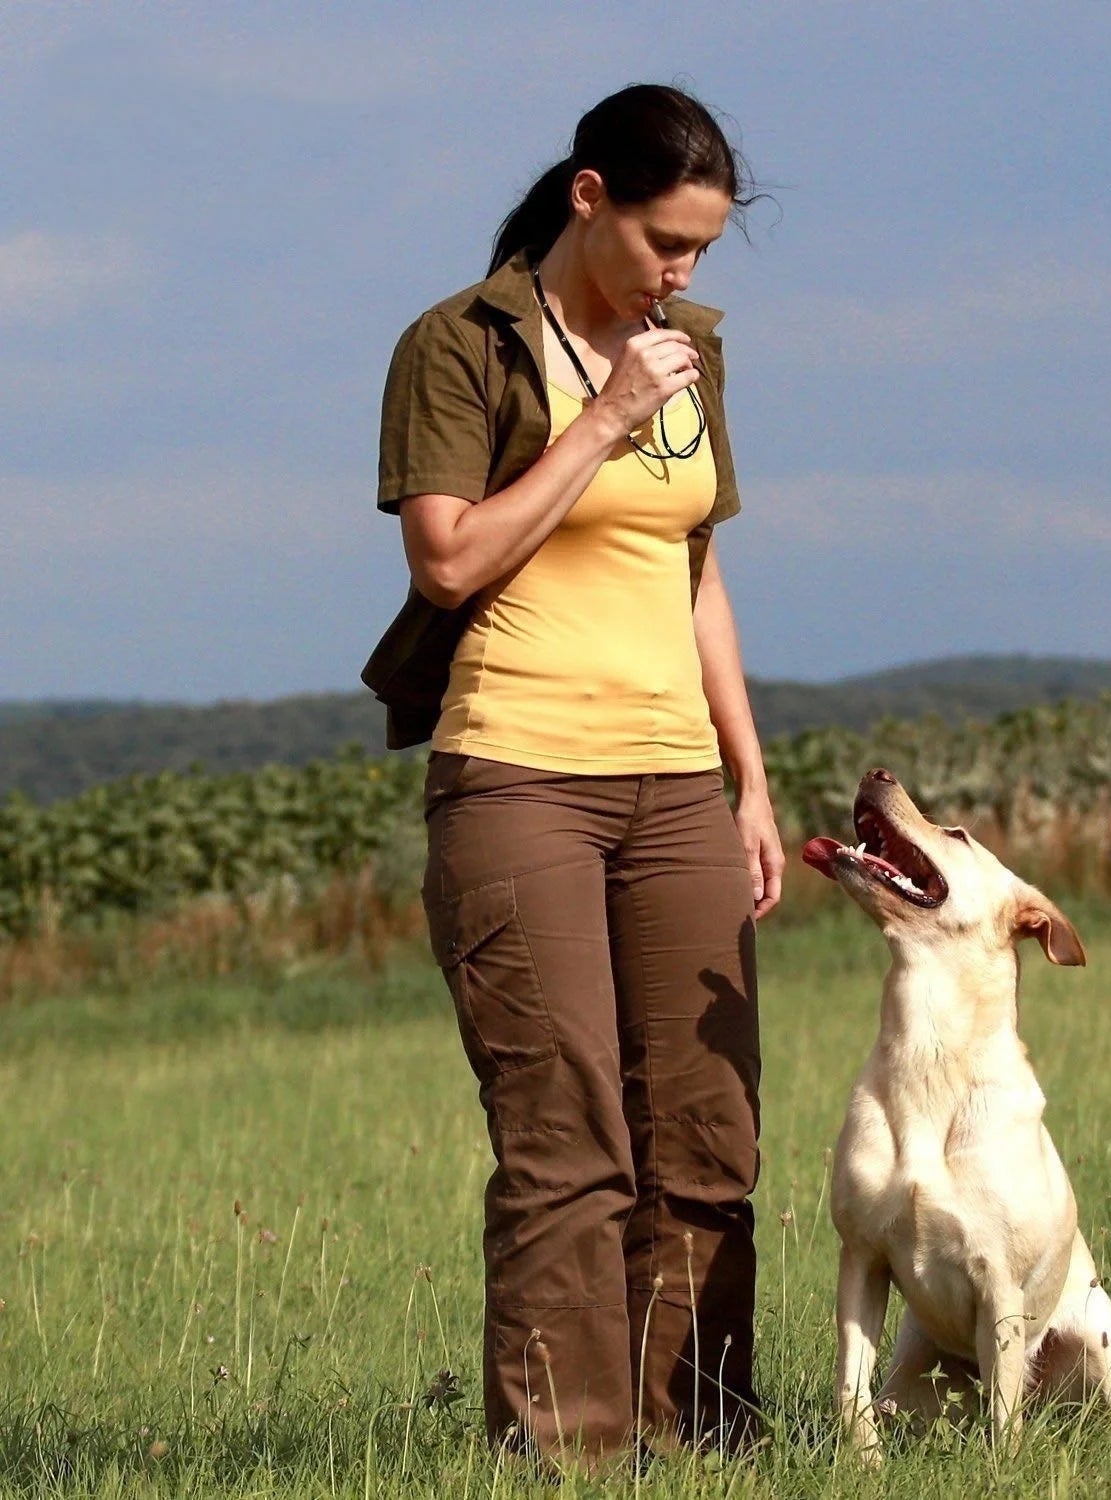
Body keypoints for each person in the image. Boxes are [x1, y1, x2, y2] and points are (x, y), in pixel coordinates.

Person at [364, 84, 783, 1463]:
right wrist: (599, 419)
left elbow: (695, 572)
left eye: (704, 253)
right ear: (589, 195)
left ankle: (706, 1445)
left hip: (677, 788)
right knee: (568, 1142)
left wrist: (751, 778)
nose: (683, 274)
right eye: (668, 242)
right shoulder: (460, 343)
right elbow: (449, 559)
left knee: (708, 1141)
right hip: (519, 776)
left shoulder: (689, 352)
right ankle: (569, 1460)